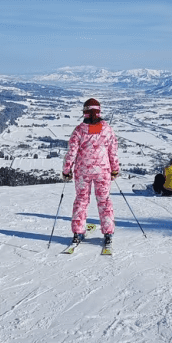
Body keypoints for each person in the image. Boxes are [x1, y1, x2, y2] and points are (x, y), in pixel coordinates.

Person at [62, 98, 119, 247]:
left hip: (82, 170)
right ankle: (108, 233)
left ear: (85, 112)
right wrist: (114, 169)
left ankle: (78, 233)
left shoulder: (79, 130)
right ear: (98, 111)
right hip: (103, 170)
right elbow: (113, 151)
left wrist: (66, 170)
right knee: (104, 201)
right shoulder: (107, 129)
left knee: (81, 200)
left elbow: (71, 153)